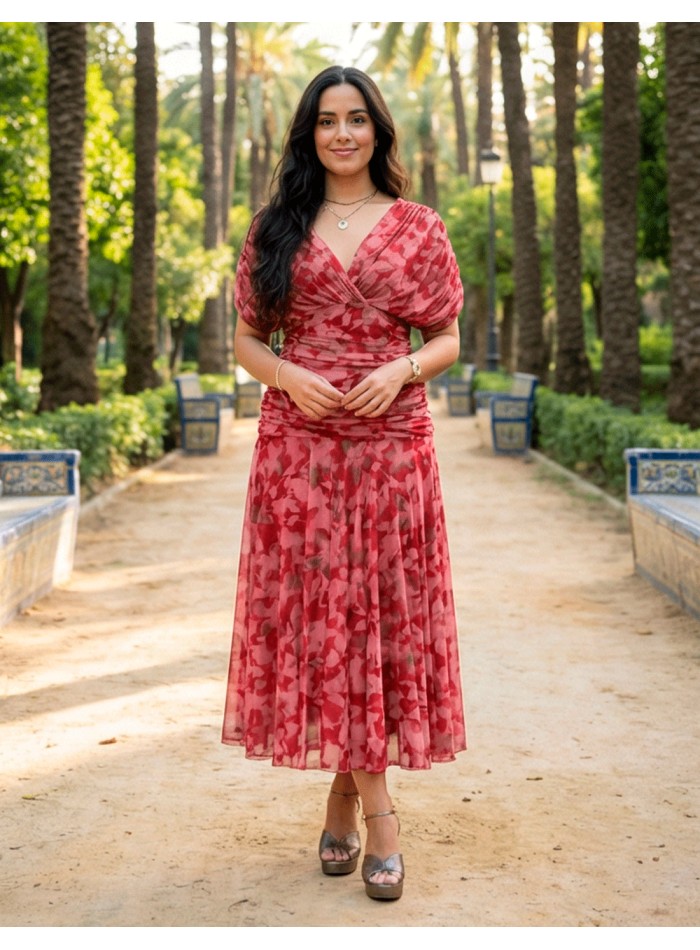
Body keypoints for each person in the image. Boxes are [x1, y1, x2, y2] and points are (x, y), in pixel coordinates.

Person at [222, 65, 467, 902]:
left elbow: (446, 338)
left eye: (356, 119)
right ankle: (380, 815)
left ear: (378, 130)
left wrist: (400, 370)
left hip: (394, 443)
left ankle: (344, 802)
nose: (342, 134)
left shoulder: (420, 227)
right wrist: (287, 377)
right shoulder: (276, 228)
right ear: (309, 134)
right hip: (300, 449)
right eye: (327, 121)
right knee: (326, 618)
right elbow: (246, 340)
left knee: (379, 617)